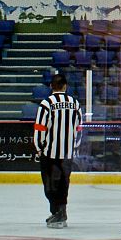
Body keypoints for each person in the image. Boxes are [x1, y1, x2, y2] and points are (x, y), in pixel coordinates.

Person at [33, 73, 82, 228]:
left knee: (50, 184)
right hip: (67, 153)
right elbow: (79, 128)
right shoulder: (75, 103)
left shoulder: (46, 104)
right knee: (63, 183)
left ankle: (58, 212)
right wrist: (75, 147)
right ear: (65, 86)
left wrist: (39, 147)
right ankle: (60, 211)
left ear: (51, 87)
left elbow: (40, 128)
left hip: (50, 152)